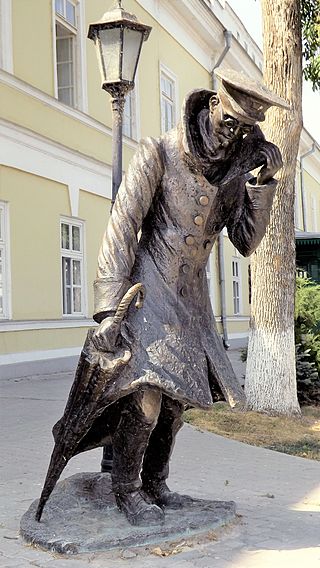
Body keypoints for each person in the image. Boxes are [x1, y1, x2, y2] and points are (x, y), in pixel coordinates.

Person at [86, 68, 287, 526]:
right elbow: (122, 225)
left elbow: (246, 241)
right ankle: (127, 487)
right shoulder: (158, 151)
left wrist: (262, 184)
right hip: (146, 290)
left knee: (176, 403)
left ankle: (156, 482)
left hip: (191, 301)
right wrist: (108, 308)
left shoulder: (238, 170)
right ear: (214, 104)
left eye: (244, 130)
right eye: (229, 122)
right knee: (148, 395)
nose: (233, 135)